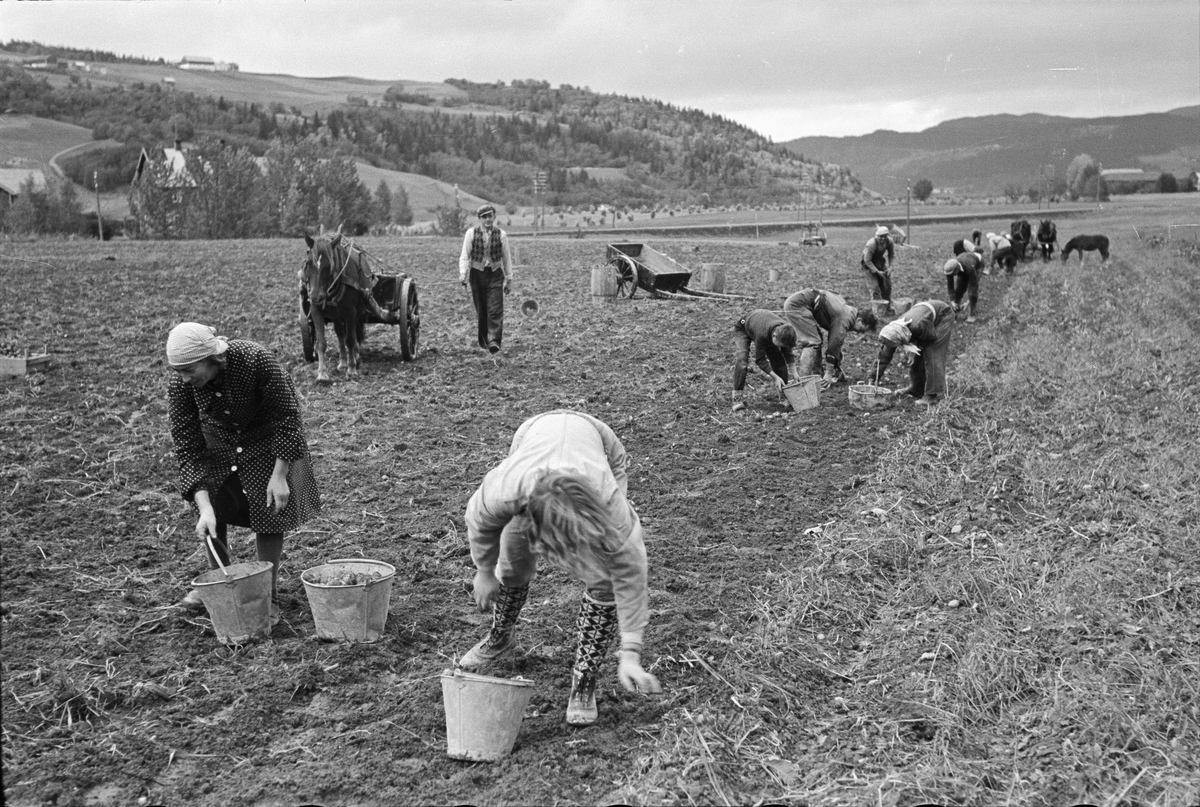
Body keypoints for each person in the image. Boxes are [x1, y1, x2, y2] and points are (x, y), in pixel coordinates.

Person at [459, 410, 663, 726]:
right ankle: (501, 636)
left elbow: (631, 573)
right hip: (533, 435)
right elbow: (480, 517)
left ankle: (584, 680)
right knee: (512, 565)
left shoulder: (611, 508)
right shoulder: (510, 487)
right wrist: (485, 570)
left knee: (605, 579)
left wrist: (631, 654)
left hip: (602, 445)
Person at [166, 323, 321, 624]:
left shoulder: (254, 359)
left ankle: (268, 594)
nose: (184, 378)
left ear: (211, 358)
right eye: (178, 371)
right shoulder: (182, 385)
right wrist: (205, 506)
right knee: (215, 507)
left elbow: (288, 418)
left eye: (189, 369)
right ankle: (221, 582)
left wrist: (279, 476)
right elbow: (187, 447)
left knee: (270, 510)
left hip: (265, 439)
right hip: (220, 443)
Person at [782, 288, 877, 389]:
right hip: (797, 305)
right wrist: (829, 373)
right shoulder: (845, 317)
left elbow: (836, 342)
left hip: (801, 302)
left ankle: (817, 375)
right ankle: (802, 383)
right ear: (859, 320)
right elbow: (834, 344)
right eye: (862, 329)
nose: (859, 332)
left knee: (817, 338)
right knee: (812, 342)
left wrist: (836, 368)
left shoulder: (848, 311)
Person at [874, 300, 955, 408]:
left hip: (942, 315)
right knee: (916, 356)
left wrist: (914, 351)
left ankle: (932, 396)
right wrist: (874, 377)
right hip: (923, 318)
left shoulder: (918, 325)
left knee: (932, 354)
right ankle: (917, 388)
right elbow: (885, 354)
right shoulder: (893, 331)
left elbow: (930, 338)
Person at [458, 204, 513, 354]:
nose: (488, 219)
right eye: (484, 217)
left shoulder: (501, 235)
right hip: (477, 275)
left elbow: (507, 258)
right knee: (481, 310)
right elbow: (464, 256)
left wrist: (509, 279)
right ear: (480, 219)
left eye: (490, 216)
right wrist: (463, 273)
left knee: (495, 308)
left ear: (494, 217)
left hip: (495, 274)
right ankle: (483, 341)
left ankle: (494, 340)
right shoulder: (471, 233)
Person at [730, 309, 797, 412]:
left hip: (761, 324)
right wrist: (775, 377)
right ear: (774, 336)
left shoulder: (785, 331)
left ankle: (783, 395)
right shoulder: (762, 334)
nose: (782, 347)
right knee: (742, 359)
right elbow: (760, 360)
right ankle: (737, 398)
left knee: (778, 361)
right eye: (781, 345)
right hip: (743, 328)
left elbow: (787, 352)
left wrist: (795, 373)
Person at [943, 250, 984, 323]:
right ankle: (954, 313)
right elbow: (950, 286)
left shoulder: (968, 266)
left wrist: (968, 301)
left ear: (957, 268)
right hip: (965, 264)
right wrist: (952, 301)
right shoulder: (950, 268)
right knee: (959, 289)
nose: (953, 276)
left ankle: (972, 315)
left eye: (954, 273)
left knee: (972, 292)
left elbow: (973, 285)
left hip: (978, 264)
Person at [861, 225, 895, 311]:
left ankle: (887, 307)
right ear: (876, 236)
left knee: (887, 285)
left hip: (879, 262)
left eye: (885, 236)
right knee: (875, 287)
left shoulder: (889, 241)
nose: (883, 239)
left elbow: (891, 255)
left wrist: (891, 267)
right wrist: (876, 272)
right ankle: (877, 309)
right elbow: (867, 260)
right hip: (868, 265)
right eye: (881, 237)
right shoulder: (871, 244)